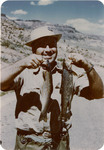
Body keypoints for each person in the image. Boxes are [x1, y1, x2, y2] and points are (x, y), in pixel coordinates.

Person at [0, 26, 104, 150]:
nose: (48, 50)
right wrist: (22, 63)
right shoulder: (23, 71)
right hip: (28, 144)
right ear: (33, 49)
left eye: (51, 44)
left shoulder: (67, 73)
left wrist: (88, 67)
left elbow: (99, 94)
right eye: (42, 45)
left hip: (60, 143)